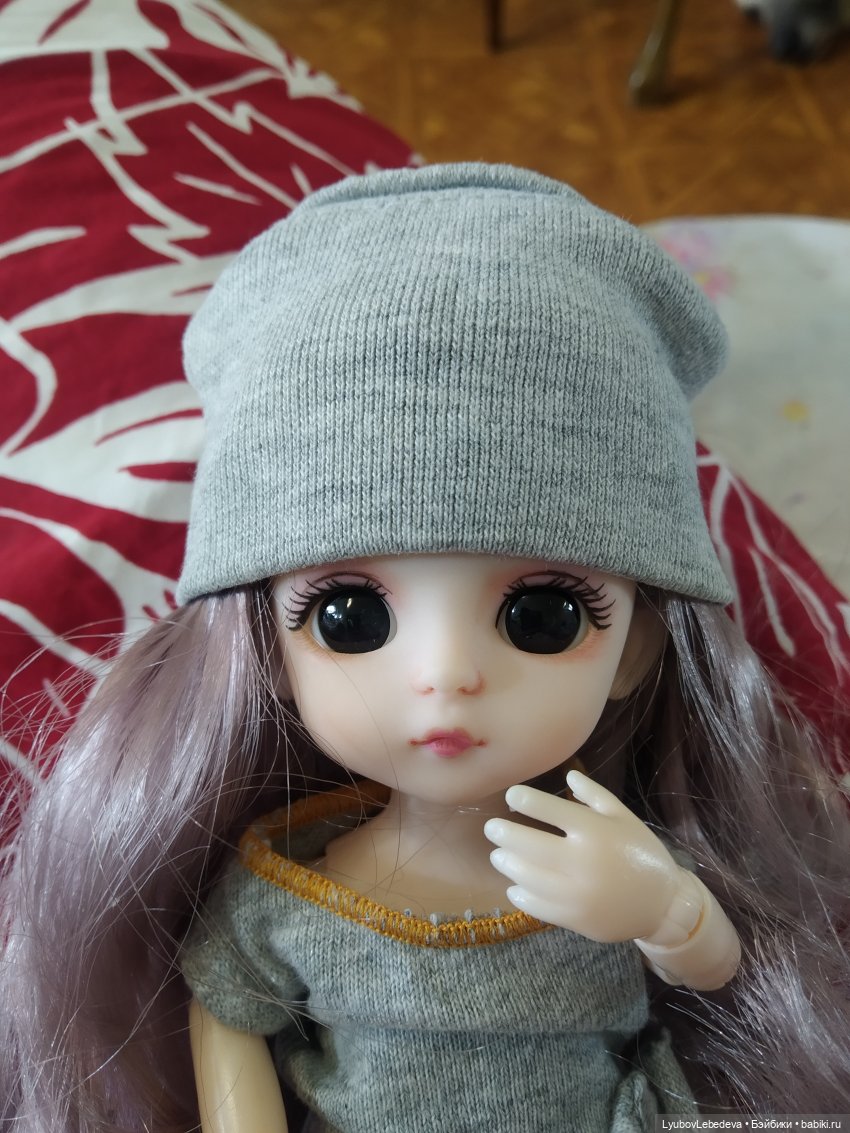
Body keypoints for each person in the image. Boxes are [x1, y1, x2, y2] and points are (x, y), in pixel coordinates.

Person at [1, 164, 848, 1133]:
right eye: (348, 617)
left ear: (635, 653)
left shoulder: (617, 863)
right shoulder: (282, 894)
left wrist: (668, 912)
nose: (445, 675)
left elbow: (717, 976)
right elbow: (228, 1020)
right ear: (266, 652)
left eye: (543, 617)